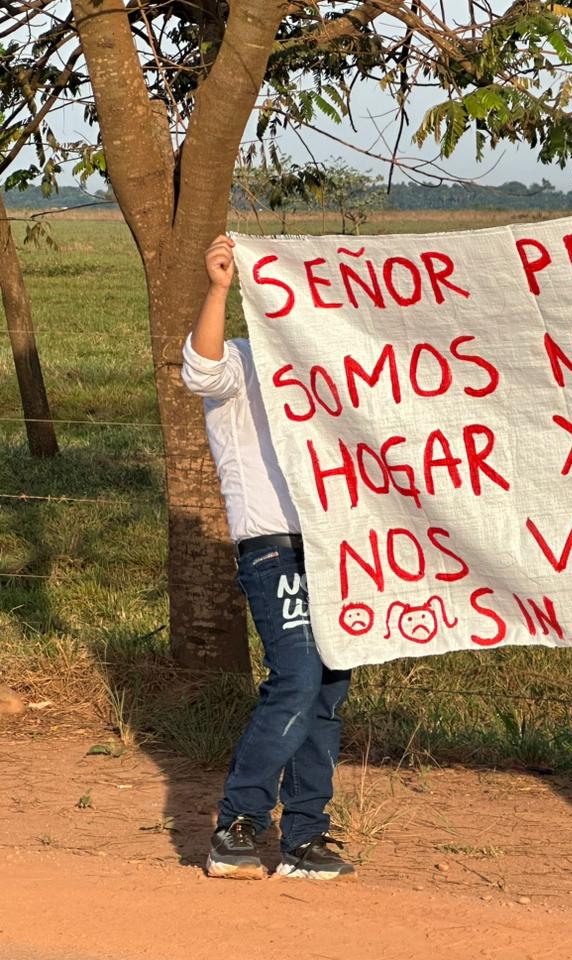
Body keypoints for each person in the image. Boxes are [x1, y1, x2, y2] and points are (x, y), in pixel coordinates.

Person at [183, 234, 356, 881]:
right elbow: (199, 371)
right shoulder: (240, 361)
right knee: (298, 678)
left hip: (337, 549)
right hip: (273, 549)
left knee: (328, 690)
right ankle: (237, 823)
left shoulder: (334, 371)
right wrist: (219, 287)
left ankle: (305, 836)